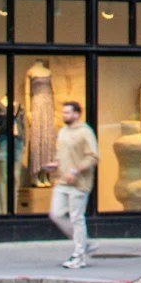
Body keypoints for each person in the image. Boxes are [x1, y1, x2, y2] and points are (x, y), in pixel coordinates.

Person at [51, 99, 99, 270]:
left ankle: (79, 255)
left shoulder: (85, 132)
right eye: (63, 112)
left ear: (77, 114)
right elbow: (61, 154)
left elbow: (93, 157)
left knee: (76, 218)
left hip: (79, 183)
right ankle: (84, 243)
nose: (64, 115)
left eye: (67, 112)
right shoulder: (62, 131)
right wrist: (55, 165)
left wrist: (76, 170)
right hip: (62, 181)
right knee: (56, 214)